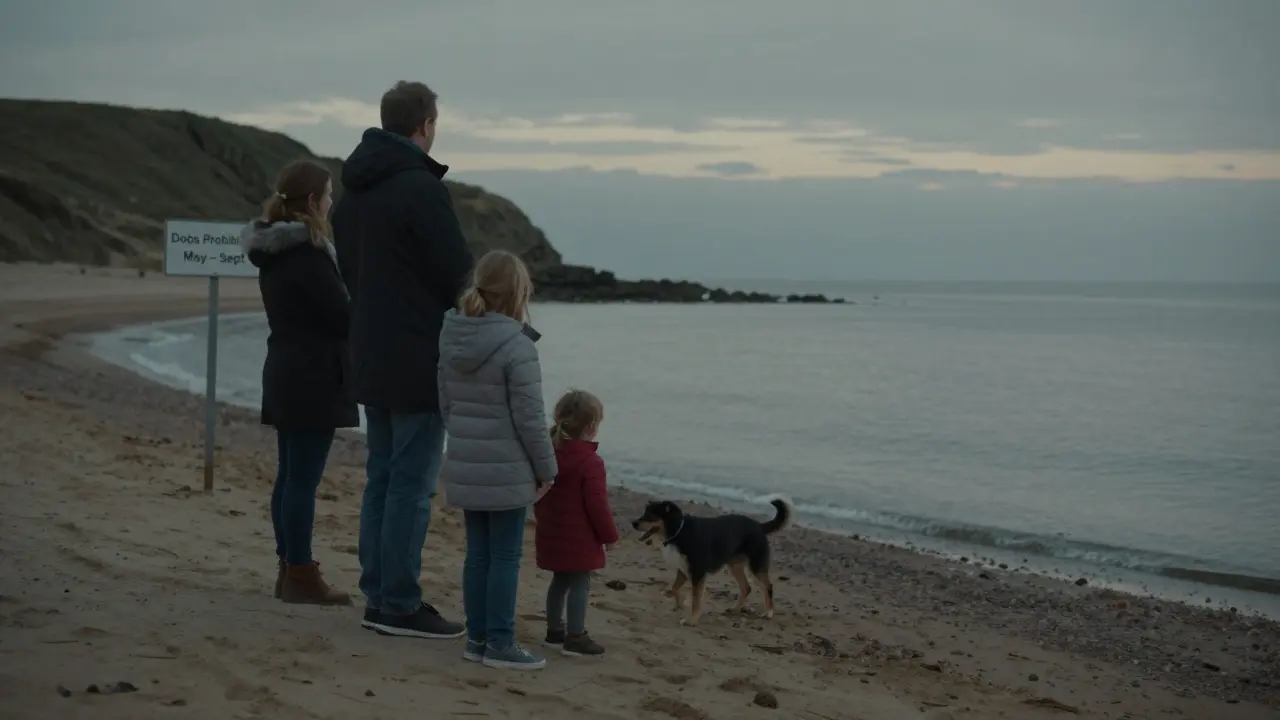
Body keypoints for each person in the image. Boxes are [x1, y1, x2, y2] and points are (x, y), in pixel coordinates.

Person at [332, 81, 473, 638]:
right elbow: (456, 272)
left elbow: (353, 274)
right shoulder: (419, 189)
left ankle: (380, 594)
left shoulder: (353, 193)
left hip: (370, 348)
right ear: (425, 124)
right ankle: (397, 601)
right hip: (416, 354)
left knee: (382, 479)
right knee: (409, 486)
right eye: (435, 120)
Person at [240, 160, 358, 606]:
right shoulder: (306, 254)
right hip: (313, 375)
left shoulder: (275, 251)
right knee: (301, 480)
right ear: (312, 201)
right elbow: (341, 316)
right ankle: (300, 572)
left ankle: (290, 568)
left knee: (290, 476)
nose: (332, 202)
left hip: (288, 368)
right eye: (328, 194)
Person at [438, 250, 557, 671]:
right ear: (519, 293)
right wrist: (548, 469)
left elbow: (446, 403)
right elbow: (530, 419)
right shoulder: (516, 345)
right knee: (505, 557)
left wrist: (467, 442)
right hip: (506, 467)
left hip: (468, 459)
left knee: (479, 555)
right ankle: (500, 643)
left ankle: (478, 639)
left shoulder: (451, 334)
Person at [535, 389, 618, 657]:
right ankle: (575, 635)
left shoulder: (547, 453)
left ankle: (554, 631)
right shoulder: (590, 463)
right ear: (592, 427)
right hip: (580, 537)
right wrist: (609, 536)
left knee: (560, 581)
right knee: (580, 582)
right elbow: (598, 506)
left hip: (552, 531)